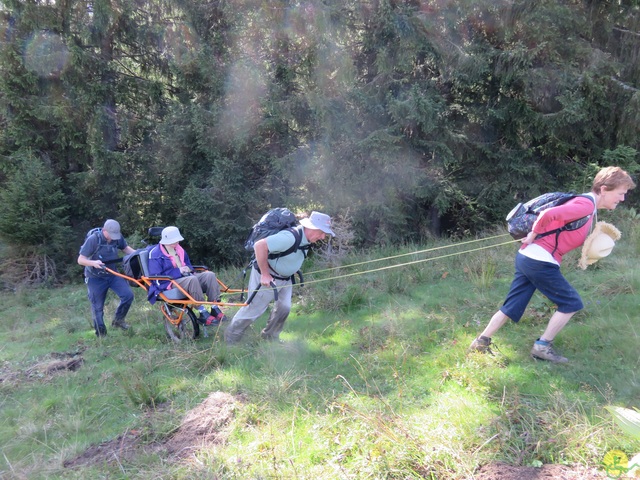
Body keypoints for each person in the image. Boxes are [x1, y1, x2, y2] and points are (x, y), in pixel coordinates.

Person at [469, 166, 636, 363]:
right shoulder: (585, 205)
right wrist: (532, 234)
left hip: (529, 258)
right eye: (620, 193)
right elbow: (548, 215)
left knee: (513, 305)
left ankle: (480, 342)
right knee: (571, 303)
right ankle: (542, 346)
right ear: (604, 189)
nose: (623, 199)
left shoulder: (587, 206)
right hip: (539, 260)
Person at [225, 211, 335, 344]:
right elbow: (259, 246)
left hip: (286, 279)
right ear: (311, 227)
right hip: (268, 278)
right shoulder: (289, 237)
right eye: (321, 232)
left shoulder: (306, 238)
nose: (323, 237)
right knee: (253, 310)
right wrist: (265, 275)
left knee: (284, 308)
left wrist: (290, 268)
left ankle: (270, 337)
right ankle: (230, 340)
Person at [146, 226, 226, 326]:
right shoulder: (155, 254)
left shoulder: (179, 249)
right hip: (168, 282)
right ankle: (202, 312)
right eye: (174, 241)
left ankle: (214, 307)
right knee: (192, 279)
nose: (177, 243)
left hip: (186, 277)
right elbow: (157, 277)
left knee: (210, 275)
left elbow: (188, 265)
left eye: (177, 240)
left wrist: (188, 268)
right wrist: (178, 271)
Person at [78, 219, 136, 337]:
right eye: (111, 235)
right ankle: (101, 334)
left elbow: (126, 249)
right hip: (95, 277)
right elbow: (80, 260)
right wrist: (93, 263)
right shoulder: (94, 239)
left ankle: (118, 321)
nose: (113, 238)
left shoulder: (117, 237)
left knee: (128, 295)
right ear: (104, 230)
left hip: (112, 274)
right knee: (97, 307)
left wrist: (138, 254)